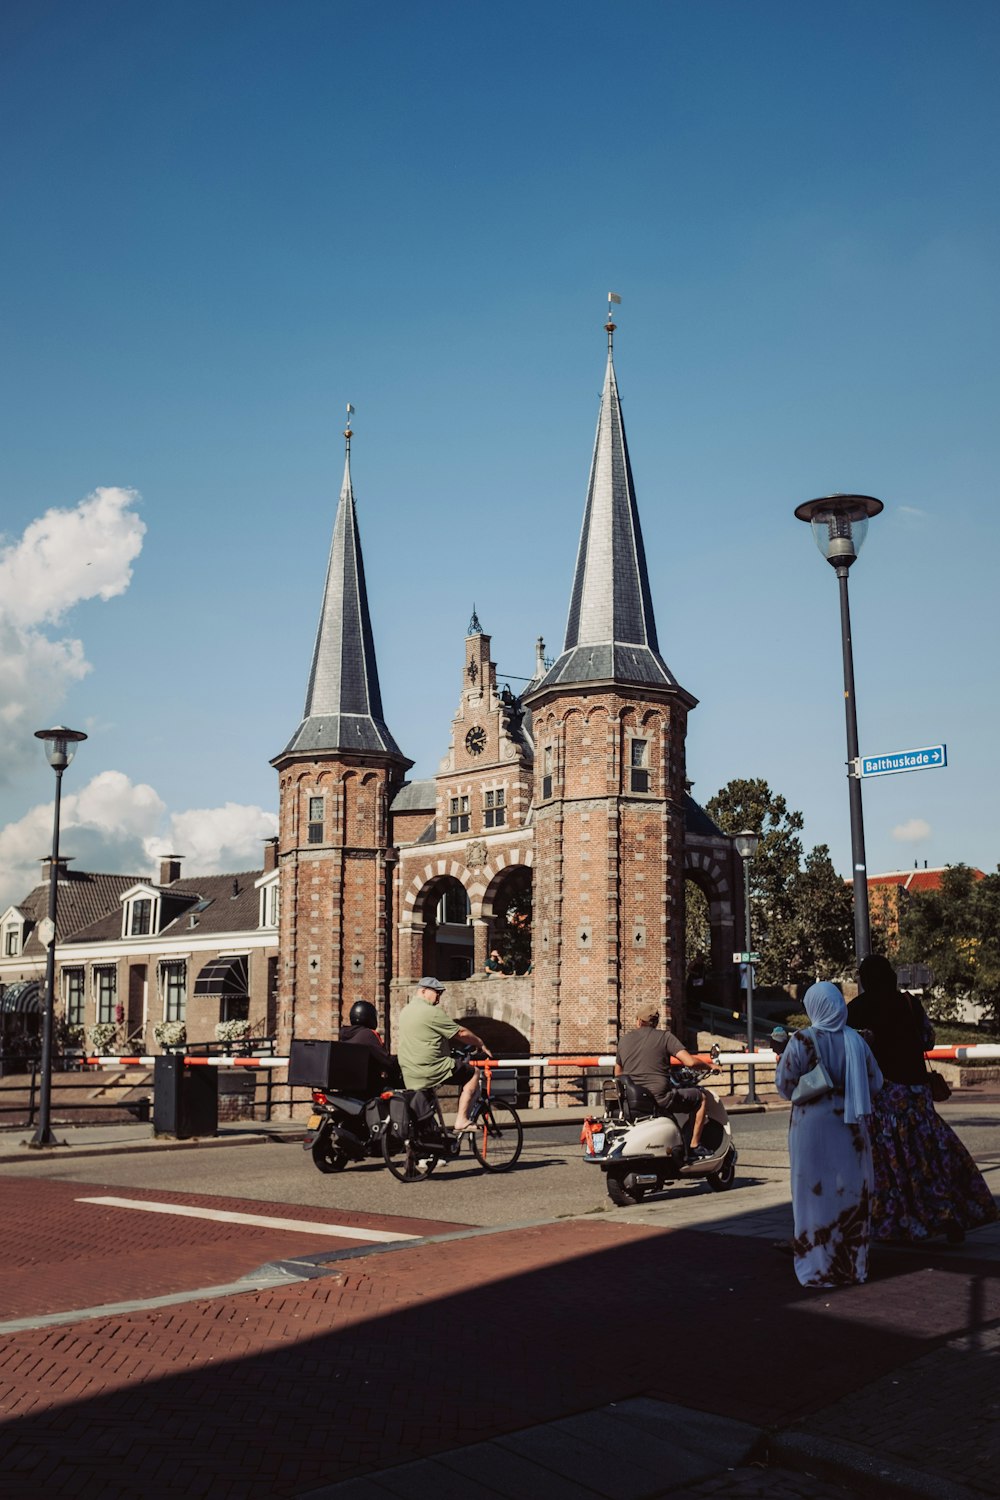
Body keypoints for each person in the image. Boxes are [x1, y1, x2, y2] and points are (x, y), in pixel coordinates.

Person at [848, 955, 997, 1245]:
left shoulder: (858, 1009)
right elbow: (927, 1039)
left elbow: (851, 1049)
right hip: (918, 1095)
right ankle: (948, 1214)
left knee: (893, 1164)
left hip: (885, 1096)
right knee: (931, 1158)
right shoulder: (908, 1003)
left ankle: (901, 1222)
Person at [775, 981, 883, 1288]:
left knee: (813, 1197)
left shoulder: (802, 1039)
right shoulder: (857, 1041)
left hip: (812, 1127)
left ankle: (817, 1268)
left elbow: (784, 1085)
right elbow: (876, 1084)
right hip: (851, 1128)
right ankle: (852, 1267)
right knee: (850, 1194)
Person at [614, 1006, 721, 1159]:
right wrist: (709, 1065)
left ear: (638, 1022)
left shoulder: (624, 1040)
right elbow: (689, 1062)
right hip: (659, 1097)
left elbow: (618, 1073)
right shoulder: (664, 1037)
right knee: (701, 1098)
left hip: (633, 1099)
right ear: (655, 1023)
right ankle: (694, 1146)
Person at [396, 977, 493, 1131]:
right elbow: (460, 1033)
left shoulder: (405, 1011)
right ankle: (462, 1120)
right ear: (423, 991)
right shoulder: (431, 1012)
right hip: (430, 1068)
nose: (438, 999)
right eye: (437, 993)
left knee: (424, 1109)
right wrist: (479, 1042)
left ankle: (424, 1143)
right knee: (473, 1073)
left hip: (409, 1070)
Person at [338, 1000, 400, 1095]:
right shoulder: (368, 1034)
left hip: (351, 1087)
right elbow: (386, 1060)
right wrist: (400, 1060)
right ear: (370, 1017)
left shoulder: (346, 1035)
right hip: (368, 1087)